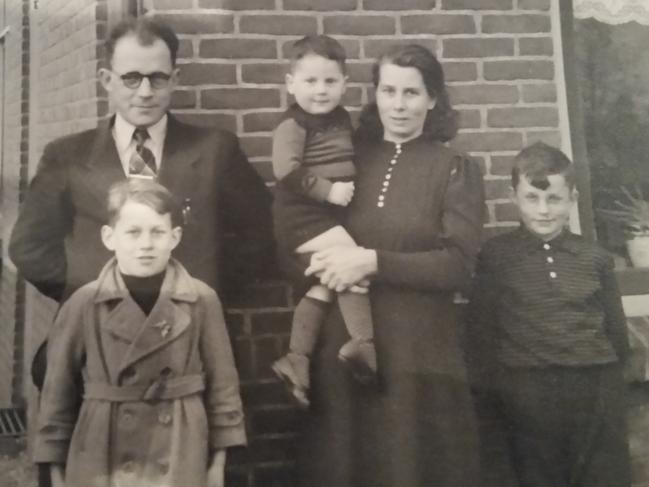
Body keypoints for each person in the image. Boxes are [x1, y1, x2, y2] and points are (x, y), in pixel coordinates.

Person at [295, 44, 486, 487]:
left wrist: (372, 261)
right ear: (375, 95)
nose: (398, 105)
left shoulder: (454, 168)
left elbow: (458, 266)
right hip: (346, 345)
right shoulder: (346, 161)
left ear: (433, 99)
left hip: (418, 352)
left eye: (412, 93)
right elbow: (298, 226)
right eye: (388, 91)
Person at [9, 16, 273, 305]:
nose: (145, 93)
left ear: (175, 79)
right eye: (131, 78)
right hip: (99, 329)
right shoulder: (67, 156)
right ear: (107, 80)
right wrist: (85, 295)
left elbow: (261, 234)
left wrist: (207, 290)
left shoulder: (216, 150)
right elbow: (29, 248)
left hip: (189, 326)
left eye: (157, 78)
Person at [33, 179, 246, 487]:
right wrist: (55, 469)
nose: (146, 244)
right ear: (109, 237)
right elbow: (57, 394)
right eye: (133, 232)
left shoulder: (201, 299)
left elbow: (223, 388)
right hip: (102, 446)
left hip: (180, 444)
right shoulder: (85, 302)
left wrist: (218, 463)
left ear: (175, 237)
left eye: (157, 232)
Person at [465, 142, 630, 487]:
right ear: (515, 197)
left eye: (554, 199)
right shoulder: (496, 257)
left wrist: (609, 392)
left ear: (572, 198)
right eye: (532, 198)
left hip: (592, 391)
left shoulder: (595, 258)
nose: (543, 210)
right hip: (526, 394)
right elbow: (481, 336)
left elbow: (616, 335)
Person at [270, 35, 376, 408]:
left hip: (326, 214)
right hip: (301, 214)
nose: (321, 90)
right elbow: (286, 171)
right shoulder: (293, 124)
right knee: (351, 263)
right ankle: (363, 345)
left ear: (345, 84)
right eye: (311, 81)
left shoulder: (340, 118)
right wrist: (329, 191)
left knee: (326, 285)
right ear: (290, 84)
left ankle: (297, 358)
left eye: (330, 81)